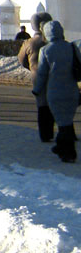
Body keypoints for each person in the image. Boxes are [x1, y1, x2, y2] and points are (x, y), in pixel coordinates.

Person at [32, 20, 79, 163]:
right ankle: (61, 147)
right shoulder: (71, 47)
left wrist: (37, 89)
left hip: (54, 92)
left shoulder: (45, 50)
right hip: (71, 91)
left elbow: (42, 73)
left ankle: (68, 152)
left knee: (62, 123)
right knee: (67, 120)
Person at [20, 11, 54, 142]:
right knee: (56, 104)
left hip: (37, 76)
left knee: (42, 105)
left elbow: (22, 60)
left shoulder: (30, 43)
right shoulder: (54, 40)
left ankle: (45, 134)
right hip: (54, 76)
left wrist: (32, 67)